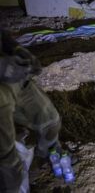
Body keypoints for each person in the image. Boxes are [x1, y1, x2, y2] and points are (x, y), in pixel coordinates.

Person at [0, 30, 62, 192]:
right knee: (7, 160)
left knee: (50, 121)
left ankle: (48, 156)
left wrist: (15, 49)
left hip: (12, 79)